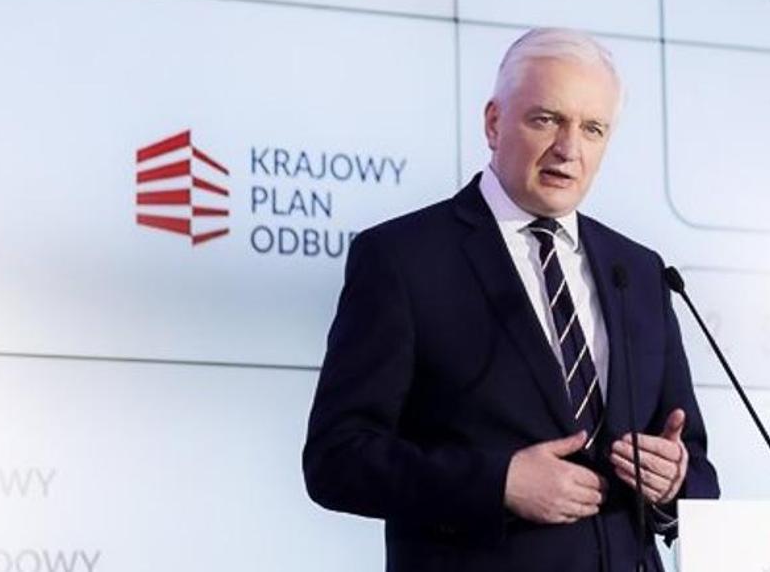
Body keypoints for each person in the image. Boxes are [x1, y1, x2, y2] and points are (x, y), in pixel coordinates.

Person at [303, 28, 718, 571]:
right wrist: (498, 483)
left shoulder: (637, 270)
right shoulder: (404, 259)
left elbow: (699, 472)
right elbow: (338, 458)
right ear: (494, 122)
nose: (569, 149)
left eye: (592, 129)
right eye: (546, 119)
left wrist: (672, 483)